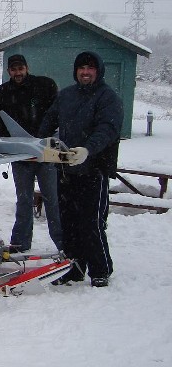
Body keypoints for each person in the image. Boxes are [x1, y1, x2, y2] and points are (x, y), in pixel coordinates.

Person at [38, 51, 123, 287]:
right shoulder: (66, 95)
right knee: (69, 222)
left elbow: (107, 129)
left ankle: (100, 269)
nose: (85, 72)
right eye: (81, 68)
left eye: (90, 68)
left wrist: (87, 149)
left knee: (91, 223)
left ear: (98, 71)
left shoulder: (108, 98)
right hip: (66, 171)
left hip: (94, 171)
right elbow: (49, 120)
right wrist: (39, 142)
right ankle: (73, 269)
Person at [0, 54, 62, 252]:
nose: (17, 73)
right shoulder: (2, 92)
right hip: (20, 156)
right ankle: (20, 242)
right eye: (13, 69)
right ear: (8, 71)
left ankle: (63, 243)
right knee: (23, 200)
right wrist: (13, 143)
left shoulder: (44, 85)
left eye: (20, 68)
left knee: (52, 200)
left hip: (45, 153)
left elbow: (57, 113)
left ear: (27, 68)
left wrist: (42, 138)